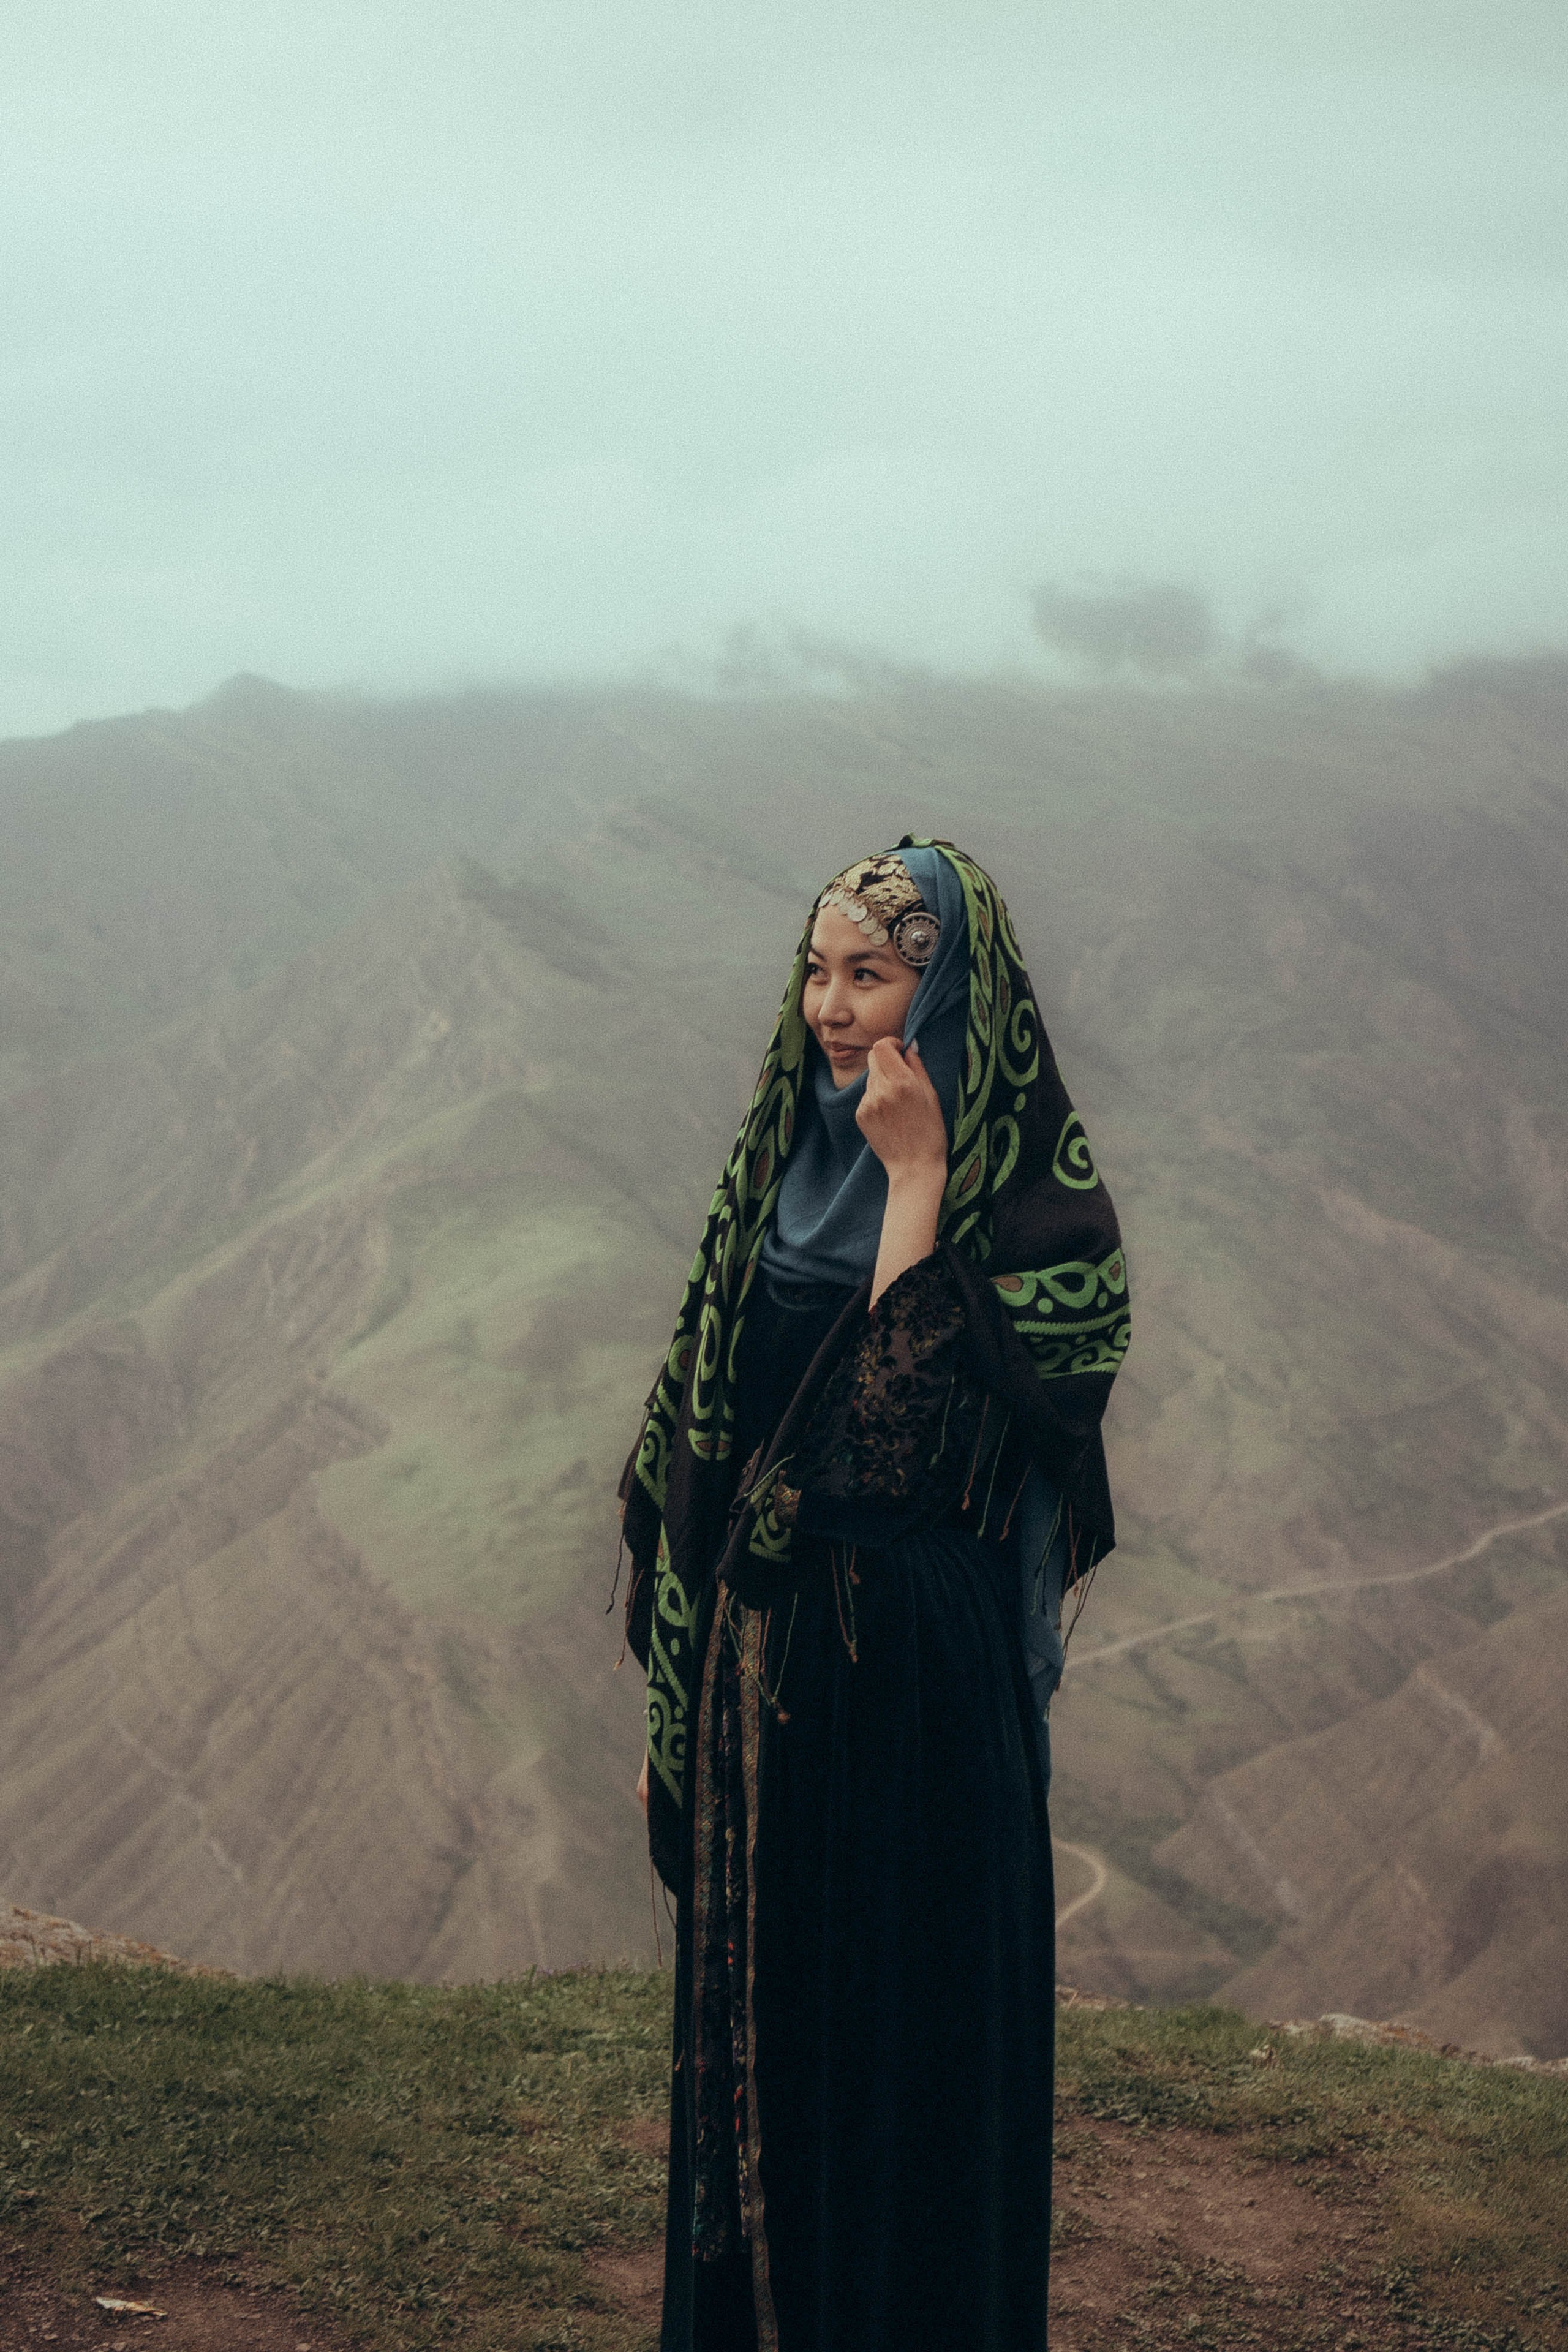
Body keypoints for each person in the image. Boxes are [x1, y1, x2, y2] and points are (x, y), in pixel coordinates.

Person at [619, 838, 1129, 2352]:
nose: (832, 1010)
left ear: (952, 994)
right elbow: (702, 1444)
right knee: (772, 2037)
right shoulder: (777, 1166)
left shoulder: (1038, 1228)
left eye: (873, 976)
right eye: (817, 971)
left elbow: (877, 1455)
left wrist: (916, 1179)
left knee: (904, 2043)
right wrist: (681, 1685)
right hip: (763, 1671)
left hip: (915, 1684)